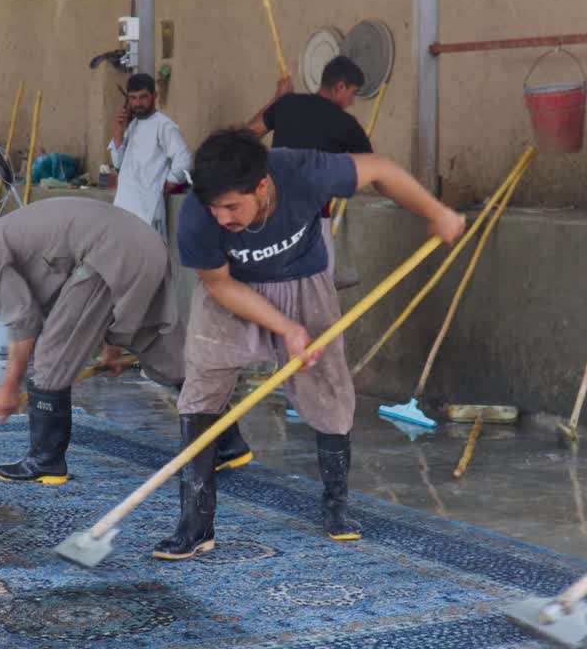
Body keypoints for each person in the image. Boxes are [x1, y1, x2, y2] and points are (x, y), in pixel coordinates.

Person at [152, 128, 465, 560]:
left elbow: (380, 169)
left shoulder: (304, 171)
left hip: (303, 280)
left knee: (329, 387)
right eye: (214, 208)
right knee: (201, 388)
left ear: (262, 186)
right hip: (234, 289)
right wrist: (284, 327)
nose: (221, 218)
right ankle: (195, 525)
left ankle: (337, 506)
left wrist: (436, 212)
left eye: (232, 207)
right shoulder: (196, 217)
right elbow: (219, 285)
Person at [0, 197, 250, 485]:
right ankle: (226, 443)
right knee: (162, 353)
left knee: (51, 358)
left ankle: (44, 461)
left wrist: (9, 386)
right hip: (144, 245)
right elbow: (82, 304)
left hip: (110, 253)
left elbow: (23, 320)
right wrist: (111, 347)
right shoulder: (4, 237)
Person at [246, 56, 373, 280]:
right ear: (340, 86)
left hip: (271, 215)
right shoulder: (347, 125)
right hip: (314, 222)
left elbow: (248, 135)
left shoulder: (287, 104)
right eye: (352, 93)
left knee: (271, 283)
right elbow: (371, 169)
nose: (352, 101)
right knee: (318, 286)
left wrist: (277, 99)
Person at [109, 73, 192, 242]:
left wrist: (168, 183)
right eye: (133, 98)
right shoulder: (132, 125)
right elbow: (118, 163)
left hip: (148, 211)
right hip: (124, 207)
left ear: (154, 96)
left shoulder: (164, 125)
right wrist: (119, 131)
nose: (137, 103)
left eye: (143, 97)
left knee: (149, 256)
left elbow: (183, 159)